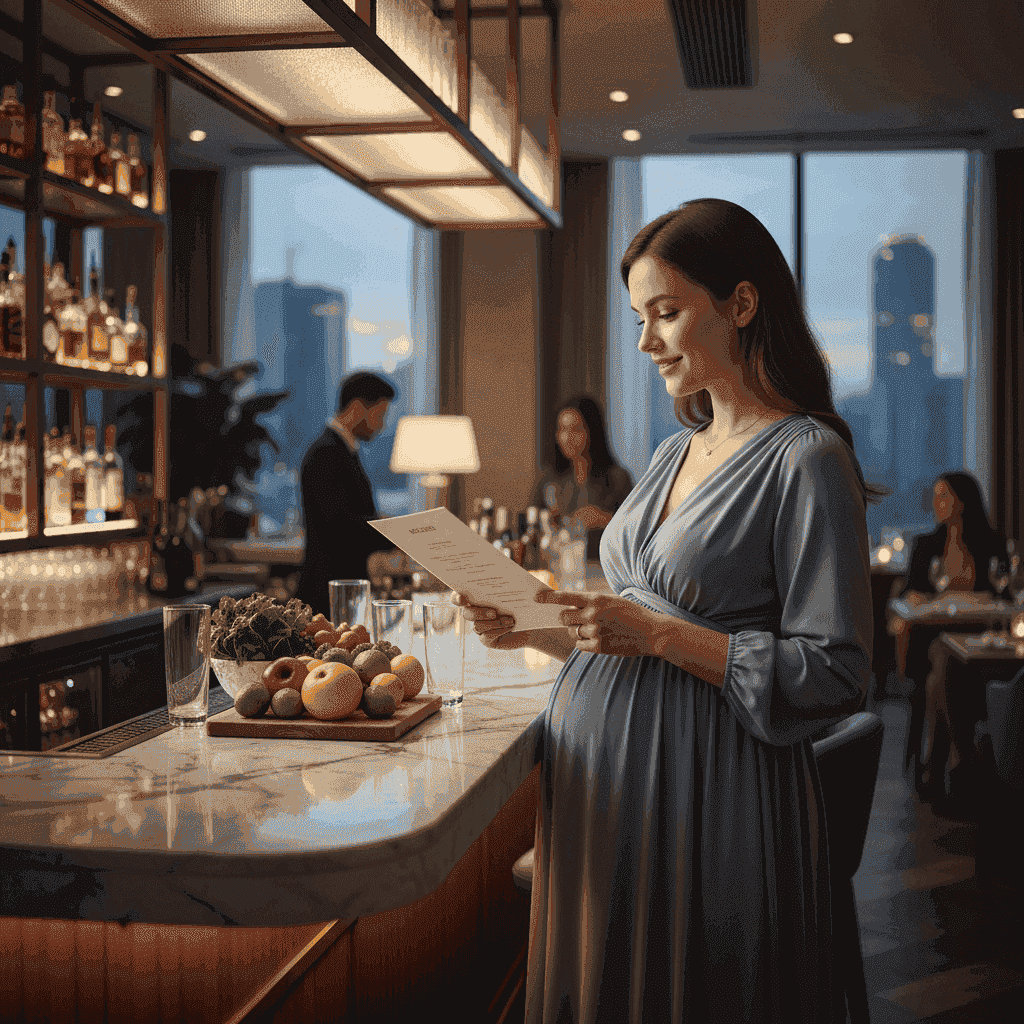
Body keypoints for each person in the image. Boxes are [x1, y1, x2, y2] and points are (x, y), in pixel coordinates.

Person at [454, 198, 876, 1022]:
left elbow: (837, 674)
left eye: (666, 313)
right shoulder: (672, 451)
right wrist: (532, 622)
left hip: (707, 793)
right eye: (639, 318)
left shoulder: (808, 458)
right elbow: (632, 621)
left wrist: (658, 635)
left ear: (742, 305)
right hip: (601, 788)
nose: (645, 343)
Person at [899, 472, 1007, 791]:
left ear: (963, 502)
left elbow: (1005, 594)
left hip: (980, 640)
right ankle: (962, 759)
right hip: (935, 636)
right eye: (936, 495)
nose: (937, 502)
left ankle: (936, 764)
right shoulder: (926, 545)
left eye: (944, 496)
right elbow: (910, 592)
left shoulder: (991, 543)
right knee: (943, 656)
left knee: (939, 678)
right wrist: (916, 597)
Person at [295, 371, 396, 615]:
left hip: (340, 591)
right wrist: (395, 534)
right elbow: (340, 526)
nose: (381, 425)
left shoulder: (341, 451)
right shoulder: (326, 453)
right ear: (358, 407)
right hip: (327, 594)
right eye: (379, 415)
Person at [531, 395, 634, 560]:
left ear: (592, 430)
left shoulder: (617, 478)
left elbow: (636, 533)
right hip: (562, 569)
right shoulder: (550, 478)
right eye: (562, 429)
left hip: (605, 568)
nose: (567, 438)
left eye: (575, 429)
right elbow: (532, 527)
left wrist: (604, 519)